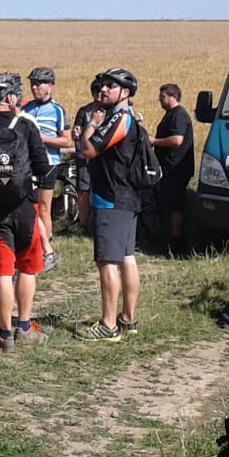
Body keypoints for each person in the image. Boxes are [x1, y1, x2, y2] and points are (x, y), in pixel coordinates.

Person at [0, 73, 49, 348]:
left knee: (3, 272)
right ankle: (25, 326)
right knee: (27, 268)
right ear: (10, 97)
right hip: (26, 205)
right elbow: (43, 167)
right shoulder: (26, 124)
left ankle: (4, 333)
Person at [77, 67, 146, 341]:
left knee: (107, 262)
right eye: (102, 85)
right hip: (126, 198)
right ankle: (128, 319)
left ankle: (108, 325)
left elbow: (88, 150)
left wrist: (92, 123)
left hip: (111, 200)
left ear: (125, 92)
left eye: (110, 86)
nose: (103, 90)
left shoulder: (118, 118)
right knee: (127, 258)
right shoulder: (128, 117)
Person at [21, 66, 70, 270]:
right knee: (27, 205)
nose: (35, 87)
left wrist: (42, 139)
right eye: (32, 84)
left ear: (50, 86)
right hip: (27, 162)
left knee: (43, 207)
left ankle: (45, 249)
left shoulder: (57, 110)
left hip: (48, 162)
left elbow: (66, 141)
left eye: (39, 84)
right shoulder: (26, 108)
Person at [151, 83, 195, 256]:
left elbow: (177, 140)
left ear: (173, 96)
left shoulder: (179, 115)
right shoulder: (171, 114)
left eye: (162, 97)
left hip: (176, 167)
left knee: (175, 203)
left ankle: (176, 240)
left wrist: (154, 141)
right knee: (169, 202)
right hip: (169, 166)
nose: (160, 100)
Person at [69, 76, 107, 232]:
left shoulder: (112, 112)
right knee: (83, 190)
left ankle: (100, 223)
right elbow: (76, 130)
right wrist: (76, 132)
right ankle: (83, 225)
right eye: (95, 92)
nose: (98, 96)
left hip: (104, 157)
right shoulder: (84, 111)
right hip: (85, 156)